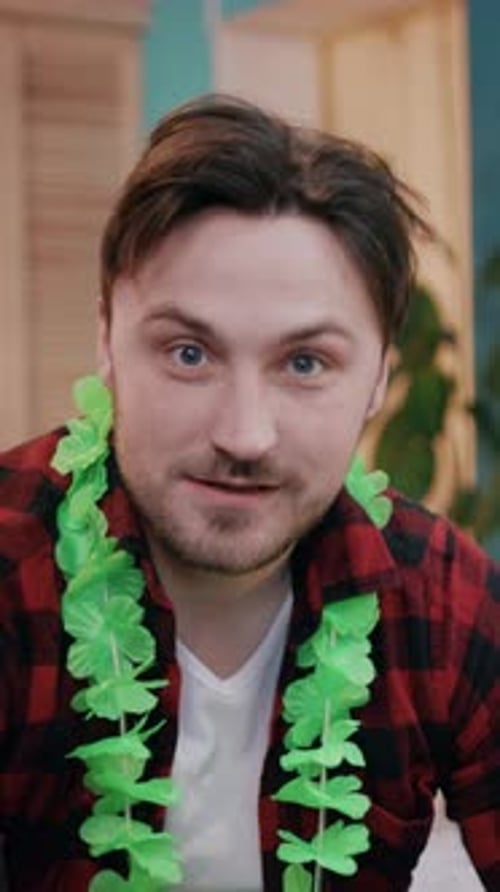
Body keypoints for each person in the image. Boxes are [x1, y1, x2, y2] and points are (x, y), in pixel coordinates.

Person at [0, 94, 498, 892]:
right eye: (189, 353)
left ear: (378, 379)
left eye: (305, 363)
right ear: (107, 341)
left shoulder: (443, 598)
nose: (244, 434)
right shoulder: (9, 559)